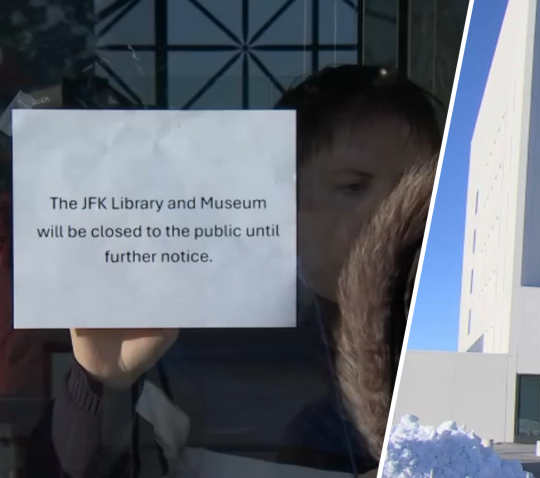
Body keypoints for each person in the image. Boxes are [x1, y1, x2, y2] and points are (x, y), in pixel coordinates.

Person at [21, 64, 441, 478]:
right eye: (353, 187)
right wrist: (101, 385)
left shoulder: (466, 332)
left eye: (415, 188)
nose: (392, 209)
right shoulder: (187, 351)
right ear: (285, 203)